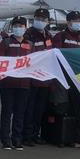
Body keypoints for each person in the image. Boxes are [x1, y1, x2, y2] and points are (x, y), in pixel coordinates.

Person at [51, 11, 80, 148]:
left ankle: (75, 137)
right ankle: (60, 137)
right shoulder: (60, 36)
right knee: (62, 107)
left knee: (77, 108)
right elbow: (55, 55)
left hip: (77, 78)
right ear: (68, 22)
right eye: (76, 21)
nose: (79, 23)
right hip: (63, 77)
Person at [0, 17, 32, 150]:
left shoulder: (30, 44)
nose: (18, 28)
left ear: (25, 28)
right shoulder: (6, 42)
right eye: (16, 26)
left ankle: (17, 140)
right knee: (7, 112)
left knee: (20, 113)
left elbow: (34, 61)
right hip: (7, 84)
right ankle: (5, 140)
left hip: (24, 84)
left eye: (21, 26)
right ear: (12, 28)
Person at [22, 8, 53, 146]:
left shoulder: (48, 35)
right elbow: (26, 54)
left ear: (48, 21)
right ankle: (27, 135)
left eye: (43, 19)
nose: (40, 21)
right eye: (37, 18)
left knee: (40, 109)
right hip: (32, 78)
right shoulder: (28, 35)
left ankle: (35, 134)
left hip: (45, 78)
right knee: (29, 108)